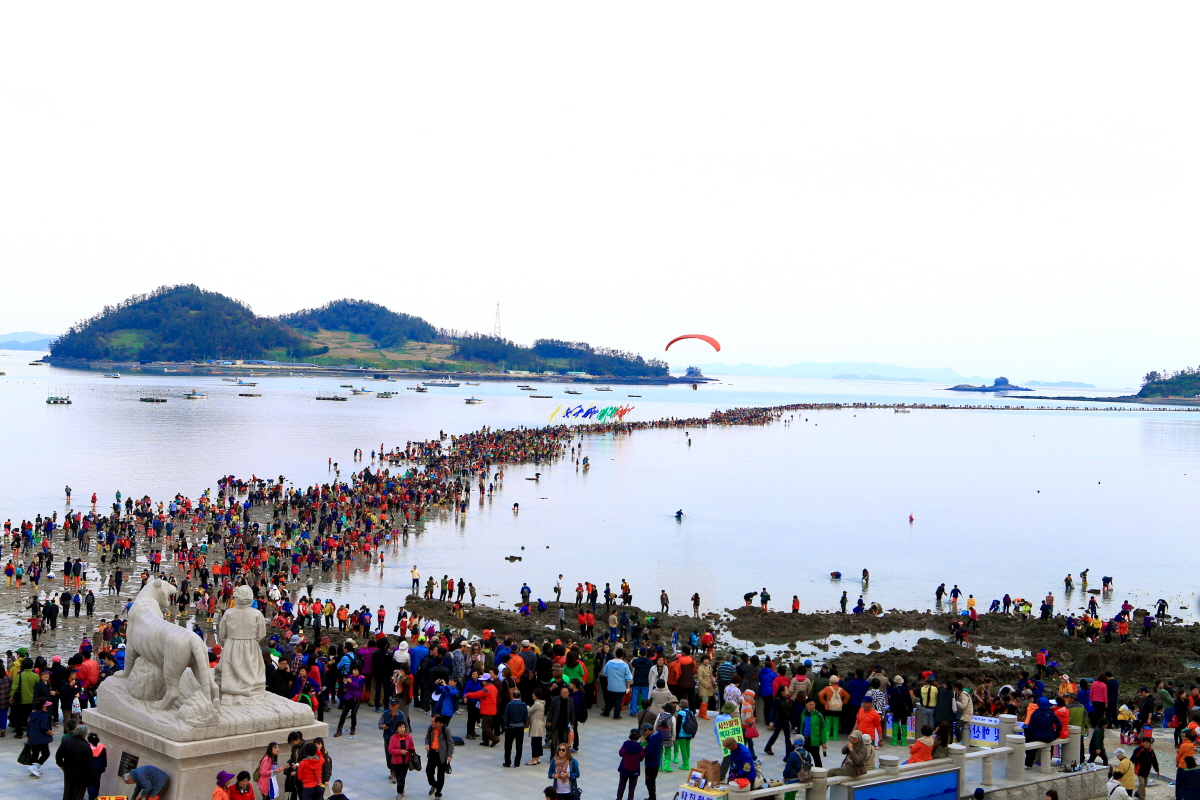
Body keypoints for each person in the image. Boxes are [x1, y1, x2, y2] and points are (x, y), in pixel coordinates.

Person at [55, 721, 93, 800]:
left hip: (68, 772)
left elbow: (58, 755)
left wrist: (61, 765)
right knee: (78, 795)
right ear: (84, 734)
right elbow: (89, 764)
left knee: (68, 793)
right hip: (81, 776)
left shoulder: (67, 741)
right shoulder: (86, 746)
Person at [1024, 698, 1063, 767]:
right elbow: (1059, 725)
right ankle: (1048, 761)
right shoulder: (1051, 713)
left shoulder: (1035, 713)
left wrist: (1033, 734)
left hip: (1037, 736)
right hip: (1049, 737)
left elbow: (1031, 727)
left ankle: (1028, 764)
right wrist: (1056, 733)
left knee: (1032, 748)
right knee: (1051, 744)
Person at [424, 714, 453, 799]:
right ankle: (434, 784)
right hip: (432, 752)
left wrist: (449, 755)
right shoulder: (431, 728)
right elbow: (427, 737)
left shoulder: (445, 730)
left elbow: (450, 743)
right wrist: (426, 744)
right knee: (429, 771)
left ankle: (438, 793)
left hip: (442, 755)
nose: (431, 723)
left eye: (433, 721)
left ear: (438, 723)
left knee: (440, 774)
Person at [25, 698, 54, 778]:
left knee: (35, 754)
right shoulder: (43, 715)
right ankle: (34, 767)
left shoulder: (32, 714)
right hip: (42, 739)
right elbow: (43, 727)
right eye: (45, 705)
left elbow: (29, 726)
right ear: (42, 706)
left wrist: (28, 735)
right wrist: (50, 732)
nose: (46, 707)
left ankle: (33, 771)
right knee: (46, 754)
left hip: (32, 738)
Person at [386, 722, 415, 798]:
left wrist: (411, 750)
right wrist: (400, 751)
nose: (402, 729)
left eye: (403, 727)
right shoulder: (393, 738)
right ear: (397, 729)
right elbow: (390, 750)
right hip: (396, 762)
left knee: (402, 777)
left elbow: (412, 747)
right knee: (399, 777)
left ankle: (399, 792)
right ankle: (401, 790)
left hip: (405, 762)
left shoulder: (409, 737)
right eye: (400, 727)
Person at [503, 686, 528, 768]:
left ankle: (507, 762)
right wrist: (523, 725)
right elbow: (525, 717)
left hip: (511, 727)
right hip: (520, 727)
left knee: (508, 746)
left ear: (512, 695)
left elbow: (506, 717)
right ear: (520, 696)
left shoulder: (509, 705)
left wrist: (506, 726)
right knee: (519, 746)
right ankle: (517, 763)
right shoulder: (524, 705)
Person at [617, 728, 645, 800]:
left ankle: (619, 798)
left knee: (621, 786)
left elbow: (621, 753)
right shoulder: (640, 748)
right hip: (634, 770)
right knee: (631, 788)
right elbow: (641, 758)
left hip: (624, 769)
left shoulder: (626, 744)